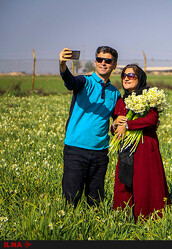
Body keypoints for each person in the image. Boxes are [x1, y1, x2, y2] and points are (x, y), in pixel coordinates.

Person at [59, 46, 121, 207]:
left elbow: (117, 119)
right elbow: (70, 81)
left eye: (108, 61)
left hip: (100, 152)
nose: (103, 63)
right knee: (71, 196)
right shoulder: (84, 82)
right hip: (76, 148)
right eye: (100, 60)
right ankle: (67, 227)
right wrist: (62, 65)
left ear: (114, 65)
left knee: (96, 198)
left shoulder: (115, 93)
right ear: (95, 62)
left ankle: (93, 227)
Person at [112, 64, 170, 221]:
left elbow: (152, 119)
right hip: (125, 148)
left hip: (145, 147)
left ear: (140, 78)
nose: (126, 78)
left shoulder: (148, 96)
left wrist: (129, 125)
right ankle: (124, 217)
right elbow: (115, 127)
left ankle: (148, 217)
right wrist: (115, 124)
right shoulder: (120, 100)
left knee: (145, 182)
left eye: (131, 75)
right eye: (124, 75)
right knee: (124, 181)